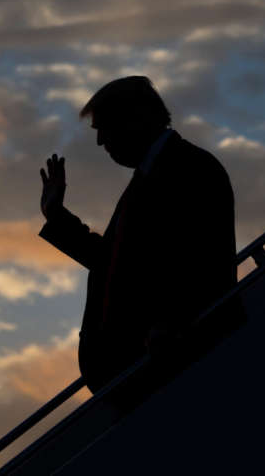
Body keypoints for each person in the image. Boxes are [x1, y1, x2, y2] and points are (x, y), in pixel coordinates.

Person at [38, 76, 237, 396]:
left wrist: (169, 327)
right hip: (148, 374)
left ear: (137, 117)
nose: (101, 140)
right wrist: (57, 218)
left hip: (168, 375)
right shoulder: (153, 176)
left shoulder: (188, 169)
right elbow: (115, 263)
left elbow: (201, 262)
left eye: (104, 126)